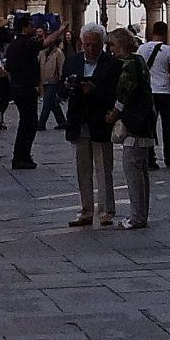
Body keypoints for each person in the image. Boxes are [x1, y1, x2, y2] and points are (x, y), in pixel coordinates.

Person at [65, 25, 120, 228]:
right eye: (86, 44)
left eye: (94, 45)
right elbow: (65, 89)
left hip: (100, 120)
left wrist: (94, 91)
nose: (89, 48)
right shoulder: (73, 62)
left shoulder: (112, 64)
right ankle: (86, 210)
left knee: (104, 167)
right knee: (83, 169)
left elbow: (115, 92)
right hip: (79, 120)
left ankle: (106, 210)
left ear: (101, 44)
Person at [113, 25, 156, 228]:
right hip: (146, 119)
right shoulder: (139, 60)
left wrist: (113, 114)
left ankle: (137, 217)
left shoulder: (129, 64)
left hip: (134, 122)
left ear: (121, 45)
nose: (111, 49)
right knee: (141, 170)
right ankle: (141, 214)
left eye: (112, 45)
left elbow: (124, 92)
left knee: (132, 169)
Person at [141, 23, 170, 167]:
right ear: (165, 33)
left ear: (152, 32)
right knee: (167, 126)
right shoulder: (168, 50)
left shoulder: (142, 48)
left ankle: (150, 157)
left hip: (148, 93)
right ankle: (169, 156)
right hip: (164, 92)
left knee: (149, 126)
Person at [4, 20, 43, 170]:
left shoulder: (13, 46)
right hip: (26, 87)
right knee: (29, 122)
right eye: (31, 26)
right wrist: (60, 29)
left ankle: (22, 155)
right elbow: (44, 43)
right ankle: (21, 156)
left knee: (26, 122)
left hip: (17, 86)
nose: (34, 28)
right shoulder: (28, 43)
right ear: (25, 28)